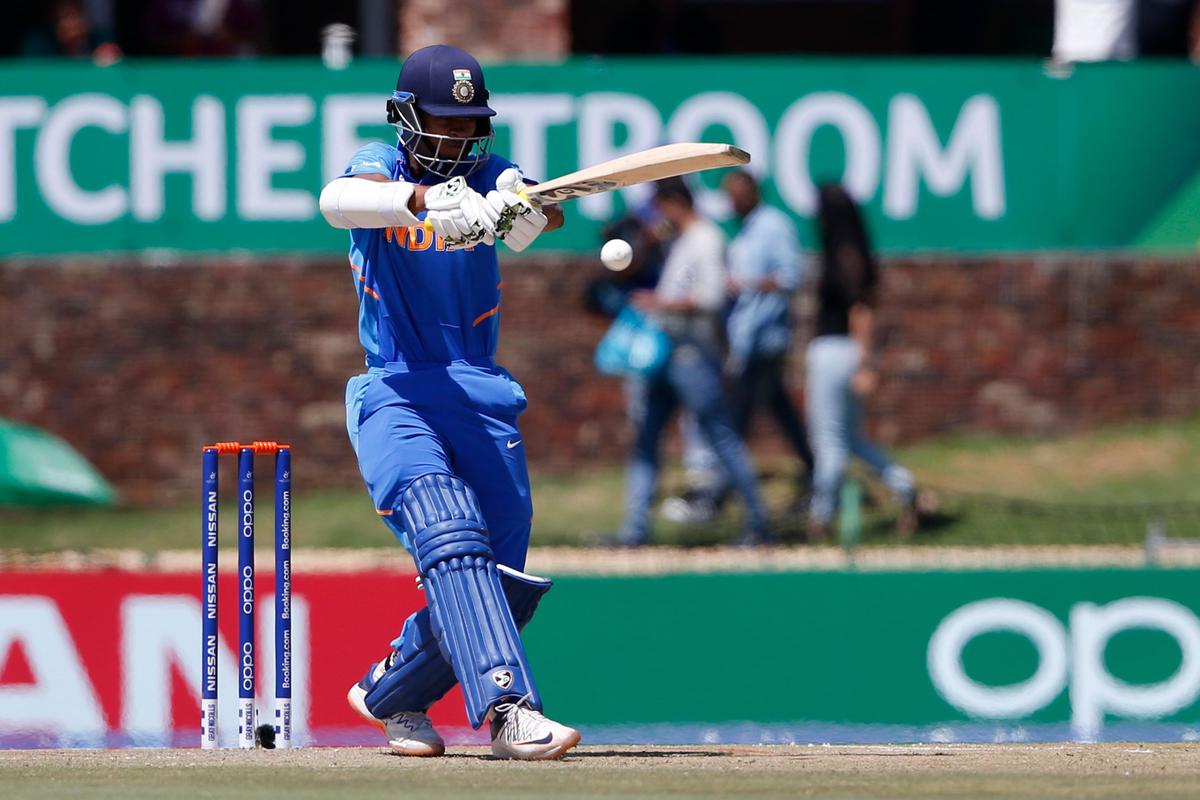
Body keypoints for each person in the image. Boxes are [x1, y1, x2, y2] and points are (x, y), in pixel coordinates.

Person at [318, 44, 579, 760]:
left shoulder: (486, 172)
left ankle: (393, 691)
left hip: (482, 391)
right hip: (396, 389)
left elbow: (537, 206)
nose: (458, 139)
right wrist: (424, 201)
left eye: (470, 125)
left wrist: (521, 209)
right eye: (443, 122)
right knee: (446, 523)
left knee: (501, 575)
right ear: (406, 118)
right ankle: (509, 710)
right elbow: (337, 202)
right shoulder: (384, 165)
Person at [617, 176, 769, 547]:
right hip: (666, 355)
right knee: (647, 440)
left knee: (721, 437)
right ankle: (634, 529)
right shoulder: (680, 241)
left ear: (673, 202)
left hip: (694, 355)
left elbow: (711, 297)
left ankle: (760, 524)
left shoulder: (707, 238)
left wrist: (659, 303)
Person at [806, 183, 918, 541]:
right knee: (850, 439)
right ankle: (905, 488)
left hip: (835, 352)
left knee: (830, 443)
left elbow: (860, 310)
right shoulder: (856, 252)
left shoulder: (843, 254)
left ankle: (820, 519)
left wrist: (865, 364)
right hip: (847, 353)